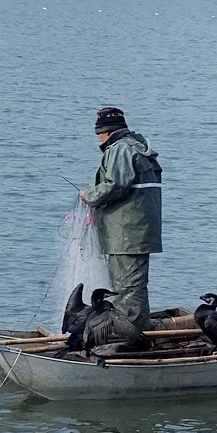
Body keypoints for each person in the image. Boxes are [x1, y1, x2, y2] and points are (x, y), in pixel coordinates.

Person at [78, 107, 163, 325]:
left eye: (99, 133)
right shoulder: (137, 146)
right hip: (136, 231)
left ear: (106, 132)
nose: (98, 138)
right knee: (130, 285)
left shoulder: (120, 149)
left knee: (128, 288)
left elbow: (116, 184)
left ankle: (132, 336)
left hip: (126, 234)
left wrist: (88, 195)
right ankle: (132, 328)